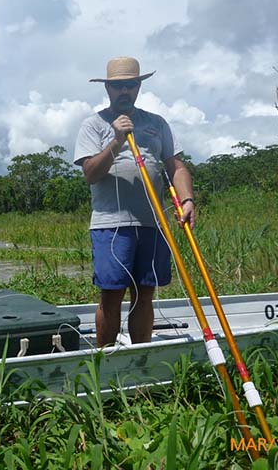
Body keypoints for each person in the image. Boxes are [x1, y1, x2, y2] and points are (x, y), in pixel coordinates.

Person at [73, 56, 195, 347]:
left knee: (145, 293)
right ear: (108, 89)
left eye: (130, 85)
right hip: (111, 225)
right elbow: (91, 173)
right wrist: (116, 140)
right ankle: (104, 362)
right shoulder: (93, 125)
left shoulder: (157, 123)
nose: (124, 91)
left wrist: (187, 199)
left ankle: (141, 358)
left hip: (152, 223)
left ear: (138, 86)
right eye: (118, 86)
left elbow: (175, 166)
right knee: (111, 295)